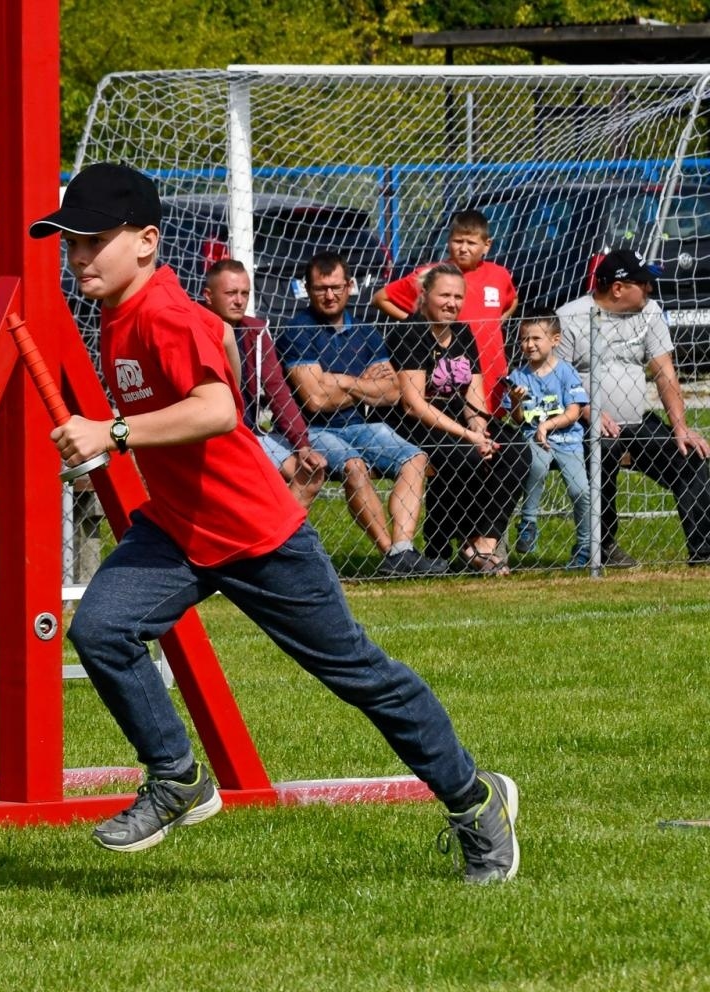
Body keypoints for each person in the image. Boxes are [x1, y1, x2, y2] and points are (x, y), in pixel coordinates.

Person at [31, 162, 519, 884]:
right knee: (100, 630)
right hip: (177, 529)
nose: (77, 258)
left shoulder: (169, 315)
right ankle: (177, 777)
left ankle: (476, 801)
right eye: (69, 243)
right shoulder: (116, 312)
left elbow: (219, 410)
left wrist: (113, 433)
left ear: (146, 242)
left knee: (359, 676)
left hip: (260, 536)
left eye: (92, 241)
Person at [277, 253, 448, 577]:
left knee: (415, 459)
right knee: (354, 466)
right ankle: (392, 555)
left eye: (336, 287)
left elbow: (392, 392)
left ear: (350, 286)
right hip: (312, 430)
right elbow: (313, 400)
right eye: (320, 288)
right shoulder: (297, 329)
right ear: (307, 289)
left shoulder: (366, 331)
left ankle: (403, 549)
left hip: (361, 424)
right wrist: (361, 385)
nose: (329, 295)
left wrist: (337, 381)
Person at [555, 249, 710, 568]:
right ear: (618, 288)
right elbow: (556, 378)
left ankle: (704, 552)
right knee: (605, 450)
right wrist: (589, 412)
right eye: (644, 282)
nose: (651, 289)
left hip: (636, 421)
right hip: (583, 421)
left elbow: (664, 371)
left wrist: (680, 427)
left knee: (692, 457)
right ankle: (602, 545)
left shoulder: (650, 312)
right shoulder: (570, 316)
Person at [387, 264, 530, 574]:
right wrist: (469, 437)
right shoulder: (409, 331)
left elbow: (474, 395)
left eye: (457, 296)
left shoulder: (463, 332)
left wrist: (480, 427)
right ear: (425, 296)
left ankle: (483, 542)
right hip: (417, 423)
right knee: (465, 455)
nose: (451, 303)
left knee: (517, 447)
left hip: (457, 419)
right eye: (444, 295)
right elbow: (413, 405)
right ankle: (442, 542)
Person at [201, 259, 327, 507]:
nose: (239, 300)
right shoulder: (193, 329)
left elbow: (277, 389)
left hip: (251, 434)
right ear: (208, 295)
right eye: (230, 293)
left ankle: (278, 538)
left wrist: (301, 443)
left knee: (309, 473)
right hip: (210, 437)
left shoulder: (255, 332)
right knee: (256, 488)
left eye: (244, 293)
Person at [374, 208, 518, 411]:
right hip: (453, 378)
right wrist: (419, 325)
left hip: (493, 371)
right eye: (458, 241)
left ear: (487, 246)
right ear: (448, 241)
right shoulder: (432, 275)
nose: (463, 248)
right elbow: (382, 298)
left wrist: (498, 320)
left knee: (495, 428)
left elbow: (512, 301)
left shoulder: (499, 275)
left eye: (471, 243)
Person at [505, 311, 592, 569]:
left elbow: (574, 411)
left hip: (568, 441)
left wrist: (548, 424)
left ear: (555, 340)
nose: (528, 345)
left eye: (535, 338)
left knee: (581, 491)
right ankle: (528, 523)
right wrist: (516, 401)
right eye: (523, 339)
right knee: (538, 465)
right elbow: (518, 420)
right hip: (534, 438)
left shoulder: (566, 372)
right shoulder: (518, 376)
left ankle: (585, 547)